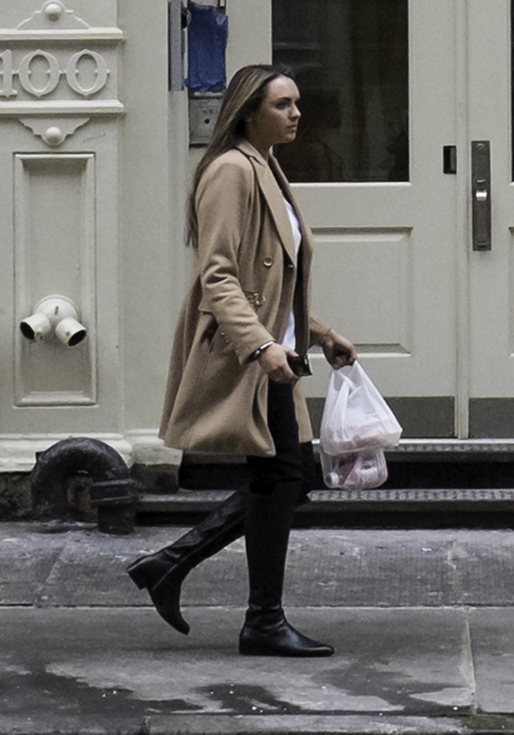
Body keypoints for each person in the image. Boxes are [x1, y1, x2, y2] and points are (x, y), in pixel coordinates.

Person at [128, 64, 357, 656]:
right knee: (286, 474)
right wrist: (259, 347)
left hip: (274, 350)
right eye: (283, 104)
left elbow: (272, 280)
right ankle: (259, 618)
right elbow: (220, 275)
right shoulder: (232, 170)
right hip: (253, 353)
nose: (296, 113)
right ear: (249, 111)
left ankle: (172, 566)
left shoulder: (266, 166)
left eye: (297, 103)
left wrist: (321, 332)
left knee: (287, 475)